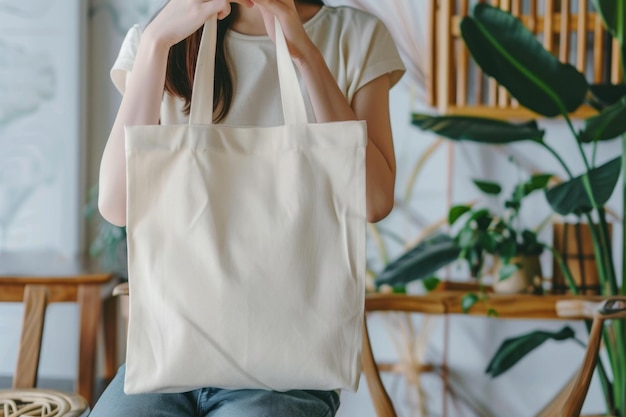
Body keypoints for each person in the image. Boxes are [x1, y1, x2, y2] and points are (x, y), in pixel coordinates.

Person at [93, 0, 404, 415]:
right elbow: (117, 205)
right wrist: (154, 45)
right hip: (168, 362)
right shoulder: (163, 35)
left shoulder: (355, 35)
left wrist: (305, 54)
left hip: (288, 374)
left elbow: (374, 200)